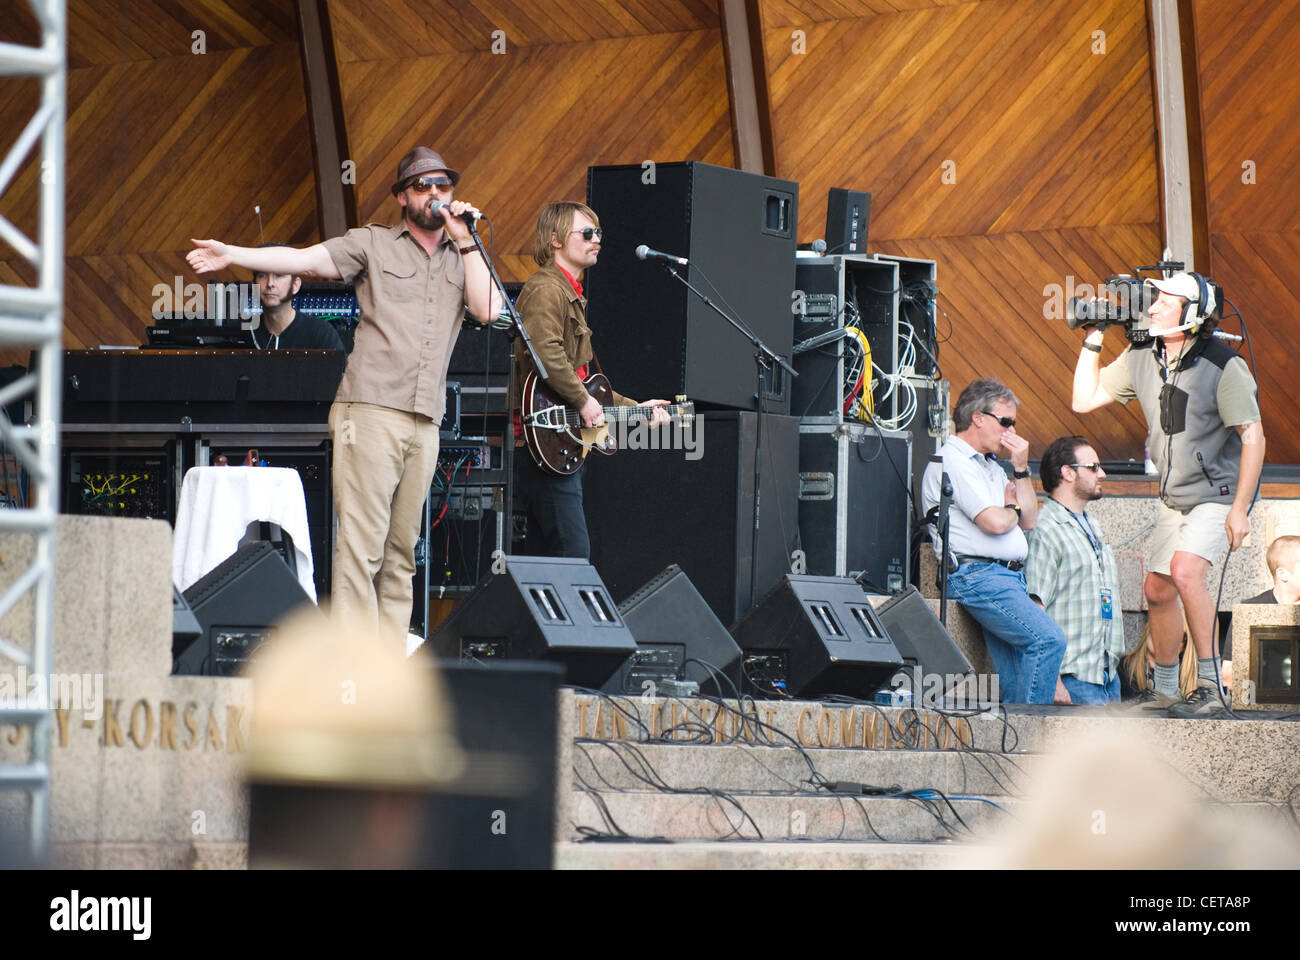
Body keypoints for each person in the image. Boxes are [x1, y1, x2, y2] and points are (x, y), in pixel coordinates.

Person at [187, 147, 501, 639]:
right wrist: (235, 254)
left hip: (426, 418)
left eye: (443, 185)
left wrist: (465, 241)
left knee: (404, 551)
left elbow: (488, 310)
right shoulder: (373, 244)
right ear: (402, 197)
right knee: (363, 547)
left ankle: (389, 664)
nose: (435, 194)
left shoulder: (465, 256)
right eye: (422, 186)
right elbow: (302, 259)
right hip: (370, 409)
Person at [1073, 272, 1264, 718]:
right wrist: (1093, 337)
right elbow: (1083, 400)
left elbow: (1253, 437)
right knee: (1157, 590)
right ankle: (1165, 690)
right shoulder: (1142, 355)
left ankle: (1210, 688)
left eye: (1164, 300)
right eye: (1154, 297)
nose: (1153, 305)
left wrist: (1240, 509)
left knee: (1183, 570)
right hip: (1173, 498)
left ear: (1193, 315)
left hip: (1217, 494)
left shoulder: (1223, 365)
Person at [511, 201, 668, 558]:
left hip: (558, 444)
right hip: (546, 445)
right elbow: (546, 354)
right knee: (573, 557)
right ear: (555, 240)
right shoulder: (546, 289)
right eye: (586, 233)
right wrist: (583, 403)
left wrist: (637, 410)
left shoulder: (570, 294)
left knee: (547, 562)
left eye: (598, 233)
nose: (596, 239)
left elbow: (585, 382)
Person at [922, 378, 1066, 704]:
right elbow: (996, 522)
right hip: (978, 575)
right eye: (1006, 422)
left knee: (1017, 675)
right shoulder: (954, 460)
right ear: (978, 418)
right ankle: (1032, 740)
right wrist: (1010, 506)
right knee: (1048, 641)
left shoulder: (991, 466)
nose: (1011, 433)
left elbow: (1030, 520)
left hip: (1006, 577)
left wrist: (1020, 472)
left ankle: (1018, 743)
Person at [1024, 436, 1125, 705]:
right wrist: (1052, 682)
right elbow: (1035, 612)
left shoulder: (1092, 524)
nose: (1102, 474)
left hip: (1108, 679)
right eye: (1093, 467)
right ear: (1067, 473)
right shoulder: (1046, 529)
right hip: (1072, 682)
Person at [249, 242, 345, 351]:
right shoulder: (244, 333)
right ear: (254, 284)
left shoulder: (320, 333)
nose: (270, 283)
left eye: (279, 275)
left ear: (295, 285)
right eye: (262, 275)